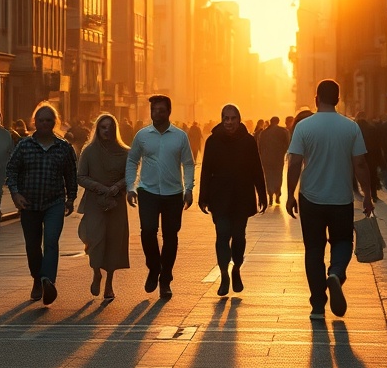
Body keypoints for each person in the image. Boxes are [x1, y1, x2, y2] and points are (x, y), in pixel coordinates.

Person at [286, 79, 373, 320]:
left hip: (311, 198)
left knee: (314, 250)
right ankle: (336, 273)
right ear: (338, 99)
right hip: (341, 198)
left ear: (316, 99)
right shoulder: (351, 127)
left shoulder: (304, 127)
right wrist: (367, 194)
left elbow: (294, 163)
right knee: (343, 241)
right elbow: (360, 163)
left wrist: (290, 194)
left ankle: (317, 305)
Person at [5, 102, 78, 306]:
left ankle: (48, 281)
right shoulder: (24, 145)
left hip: (54, 203)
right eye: (41, 120)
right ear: (34, 122)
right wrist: (15, 194)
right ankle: (37, 279)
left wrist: (70, 198)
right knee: (33, 245)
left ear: (55, 122)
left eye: (49, 120)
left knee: (51, 241)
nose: (45, 123)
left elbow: (71, 175)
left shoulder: (63, 147)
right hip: (29, 204)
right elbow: (11, 170)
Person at [125, 94, 195, 298]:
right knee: (147, 231)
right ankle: (154, 267)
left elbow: (188, 163)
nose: (156, 114)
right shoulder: (142, 135)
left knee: (170, 236)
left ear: (169, 112)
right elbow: (132, 160)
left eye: (161, 110)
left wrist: (189, 189)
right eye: (154, 110)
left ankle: (165, 279)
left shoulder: (180, 136)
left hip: (173, 193)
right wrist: (131, 186)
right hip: (147, 191)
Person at [198, 104, 267, 296]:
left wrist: (262, 194)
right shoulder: (213, 141)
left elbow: (256, 168)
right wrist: (203, 196)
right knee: (222, 235)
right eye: (226, 118)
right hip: (219, 196)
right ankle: (224, 275)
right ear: (222, 119)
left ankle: (236, 268)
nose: (229, 122)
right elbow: (206, 170)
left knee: (238, 236)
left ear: (239, 119)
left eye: (233, 118)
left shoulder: (248, 141)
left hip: (242, 195)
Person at [77, 113, 130, 300]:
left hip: (116, 203)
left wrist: (117, 187)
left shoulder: (125, 152)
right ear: (97, 129)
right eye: (103, 127)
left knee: (114, 242)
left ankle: (109, 283)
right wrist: (99, 187)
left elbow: (130, 175)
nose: (107, 131)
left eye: (110, 127)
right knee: (95, 239)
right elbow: (81, 176)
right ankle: (96, 272)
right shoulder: (89, 151)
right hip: (94, 203)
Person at [258, 113, 290, 205]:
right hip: (278, 158)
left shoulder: (263, 133)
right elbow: (287, 144)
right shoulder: (283, 131)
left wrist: (262, 156)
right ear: (278, 121)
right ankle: (277, 194)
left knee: (268, 176)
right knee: (278, 175)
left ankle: (270, 195)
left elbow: (260, 146)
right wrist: (283, 153)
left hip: (266, 159)